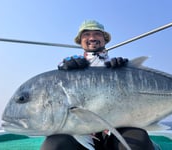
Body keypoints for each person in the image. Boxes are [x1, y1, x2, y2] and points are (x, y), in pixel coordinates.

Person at [40, 20, 157, 150]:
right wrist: (63, 69)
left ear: (104, 39)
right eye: (86, 34)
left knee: (139, 142)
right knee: (53, 146)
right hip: (79, 132)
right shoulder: (70, 66)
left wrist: (128, 74)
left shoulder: (117, 67)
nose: (92, 38)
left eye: (97, 34)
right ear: (80, 40)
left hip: (115, 130)